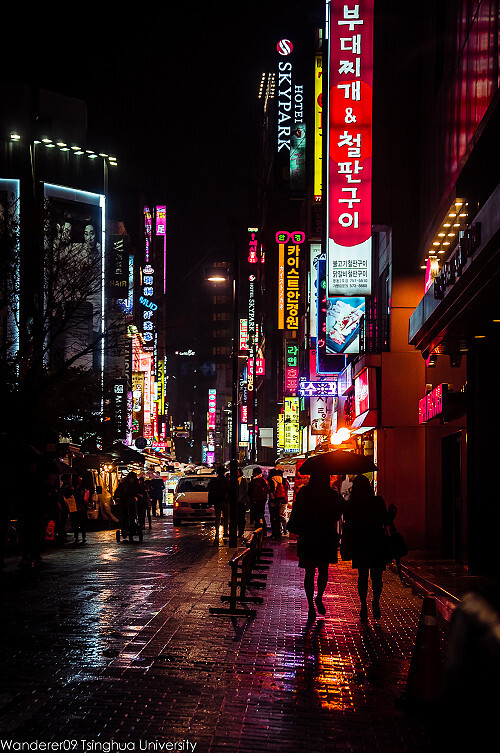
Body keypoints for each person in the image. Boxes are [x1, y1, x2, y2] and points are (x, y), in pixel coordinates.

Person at [287, 469, 342, 620]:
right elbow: (337, 515)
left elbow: (296, 510)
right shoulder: (331, 494)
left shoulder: (305, 492)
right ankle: (319, 597)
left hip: (308, 536)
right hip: (326, 536)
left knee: (309, 572)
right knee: (324, 570)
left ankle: (311, 604)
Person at [342, 474, 389, 621]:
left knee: (363, 576)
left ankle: (363, 605)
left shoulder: (352, 503)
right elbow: (385, 519)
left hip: (360, 543)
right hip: (376, 541)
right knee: (376, 576)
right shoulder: (377, 501)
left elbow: (348, 523)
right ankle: (375, 600)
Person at [114, 472, 141, 540]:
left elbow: (140, 494)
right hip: (124, 504)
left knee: (133, 518)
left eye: (132, 479)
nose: (131, 480)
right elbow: (117, 493)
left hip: (133, 505)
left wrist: (137, 497)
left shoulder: (136, 486)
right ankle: (124, 531)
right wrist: (118, 498)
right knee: (124, 518)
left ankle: (132, 532)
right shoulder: (123, 485)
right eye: (130, 478)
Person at [208, 467, 229, 546]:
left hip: (217, 501)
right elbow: (229, 491)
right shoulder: (226, 481)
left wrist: (210, 502)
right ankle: (225, 532)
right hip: (225, 501)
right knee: (226, 517)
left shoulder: (214, 481)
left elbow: (210, 492)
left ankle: (217, 533)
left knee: (217, 518)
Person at [248, 467, 269, 532]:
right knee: (261, 516)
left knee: (258, 516)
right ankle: (263, 530)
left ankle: (260, 530)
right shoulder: (264, 481)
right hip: (262, 500)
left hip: (257, 501)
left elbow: (254, 491)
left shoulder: (257, 481)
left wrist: (253, 499)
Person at [268, 469, 287, 539]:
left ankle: (274, 533)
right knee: (278, 517)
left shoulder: (272, 480)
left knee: (273, 518)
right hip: (280, 500)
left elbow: (271, 490)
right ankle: (278, 532)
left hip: (273, 501)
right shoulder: (283, 479)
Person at [237, 468, 250, 538]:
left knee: (241, 517)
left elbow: (245, 491)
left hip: (242, 502)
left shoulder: (244, 480)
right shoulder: (233, 480)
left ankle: (241, 531)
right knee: (237, 517)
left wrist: (240, 499)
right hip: (237, 502)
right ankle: (239, 530)